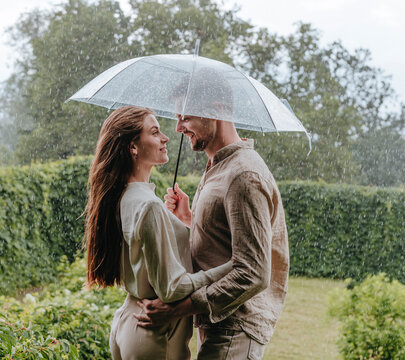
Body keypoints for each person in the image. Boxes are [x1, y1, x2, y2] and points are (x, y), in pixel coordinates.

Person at [134, 69, 289, 360]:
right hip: (220, 325)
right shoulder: (219, 166)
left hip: (235, 328)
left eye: (186, 117)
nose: (178, 127)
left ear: (215, 110)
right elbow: (228, 242)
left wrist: (178, 309)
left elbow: (253, 272)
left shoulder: (243, 174)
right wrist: (189, 221)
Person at [84, 106, 232, 360]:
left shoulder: (124, 196)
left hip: (128, 321)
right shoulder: (149, 205)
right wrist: (228, 268)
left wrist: (181, 220)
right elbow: (172, 288)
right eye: (155, 132)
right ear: (133, 147)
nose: (165, 138)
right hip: (154, 334)